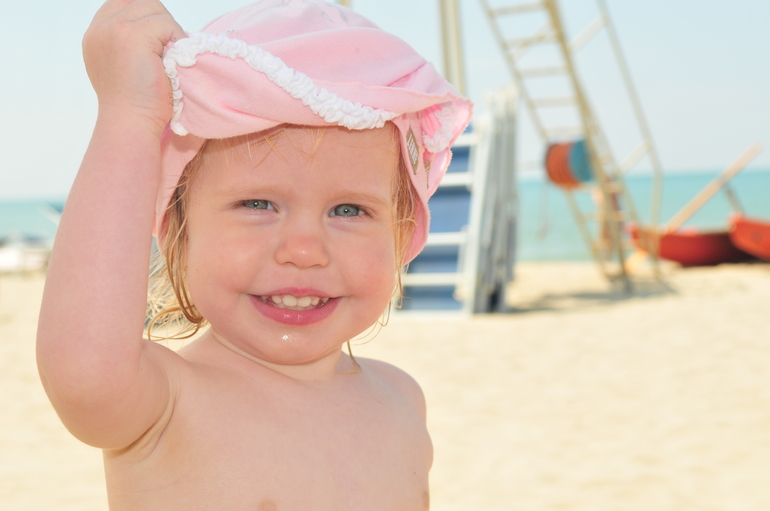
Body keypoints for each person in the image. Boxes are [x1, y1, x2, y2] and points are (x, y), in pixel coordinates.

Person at [36, 0, 472, 509]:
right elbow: (84, 374)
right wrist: (127, 118)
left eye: (349, 210)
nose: (304, 251)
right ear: (178, 230)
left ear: (403, 232)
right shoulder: (165, 405)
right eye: (258, 204)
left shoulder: (402, 400)